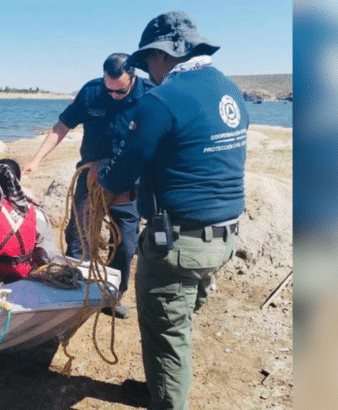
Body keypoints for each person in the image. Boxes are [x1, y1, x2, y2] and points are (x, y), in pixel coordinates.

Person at [96, 11, 248, 410]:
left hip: (178, 244)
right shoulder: (230, 91)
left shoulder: (160, 101)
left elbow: (119, 176)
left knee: (166, 332)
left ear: (166, 55)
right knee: (177, 323)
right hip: (224, 237)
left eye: (148, 60)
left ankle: (166, 400)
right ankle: (160, 389)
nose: (148, 69)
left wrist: (104, 176)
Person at [24, 53, 156, 319]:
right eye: (109, 88)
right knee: (78, 236)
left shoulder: (151, 96)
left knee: (126, 243)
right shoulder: (92, 92)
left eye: (119, 90)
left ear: (133, 77)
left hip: (128, 181)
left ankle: (111, 296)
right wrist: (36, 160)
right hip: (91, 176)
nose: (113, 94)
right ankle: (73, 290)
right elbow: (62, 126)